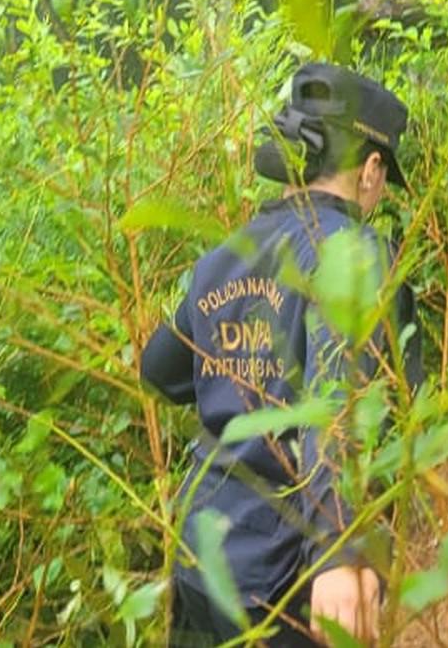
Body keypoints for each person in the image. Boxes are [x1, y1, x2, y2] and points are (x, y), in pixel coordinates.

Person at [141, 62, 423, 647]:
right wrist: (339, 552)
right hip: (284, 581)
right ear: (372, 169)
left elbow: (160, 368)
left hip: (202, 554)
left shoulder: (223, 254)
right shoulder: (357, 255)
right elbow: (339, 398)